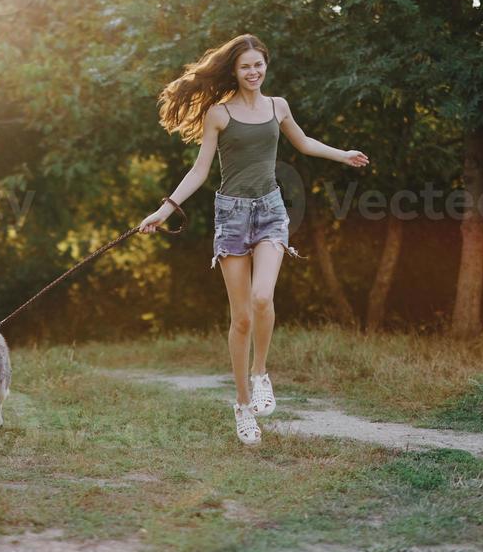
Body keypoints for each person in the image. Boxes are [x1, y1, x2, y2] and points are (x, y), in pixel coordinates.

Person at [137, 34, 370, 447]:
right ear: (235, 70)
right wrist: (164, 210)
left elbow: (303, 142)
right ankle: (243, 406)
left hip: (270, 211)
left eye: (258, 65)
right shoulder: (219, 114)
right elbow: (199, 171)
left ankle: (260, 374)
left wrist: (341, 154)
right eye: (245, 66)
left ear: (266, 65)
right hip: (230, 217)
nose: (253, 72)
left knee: (263, 298)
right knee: (241, 318)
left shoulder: (278, 107)